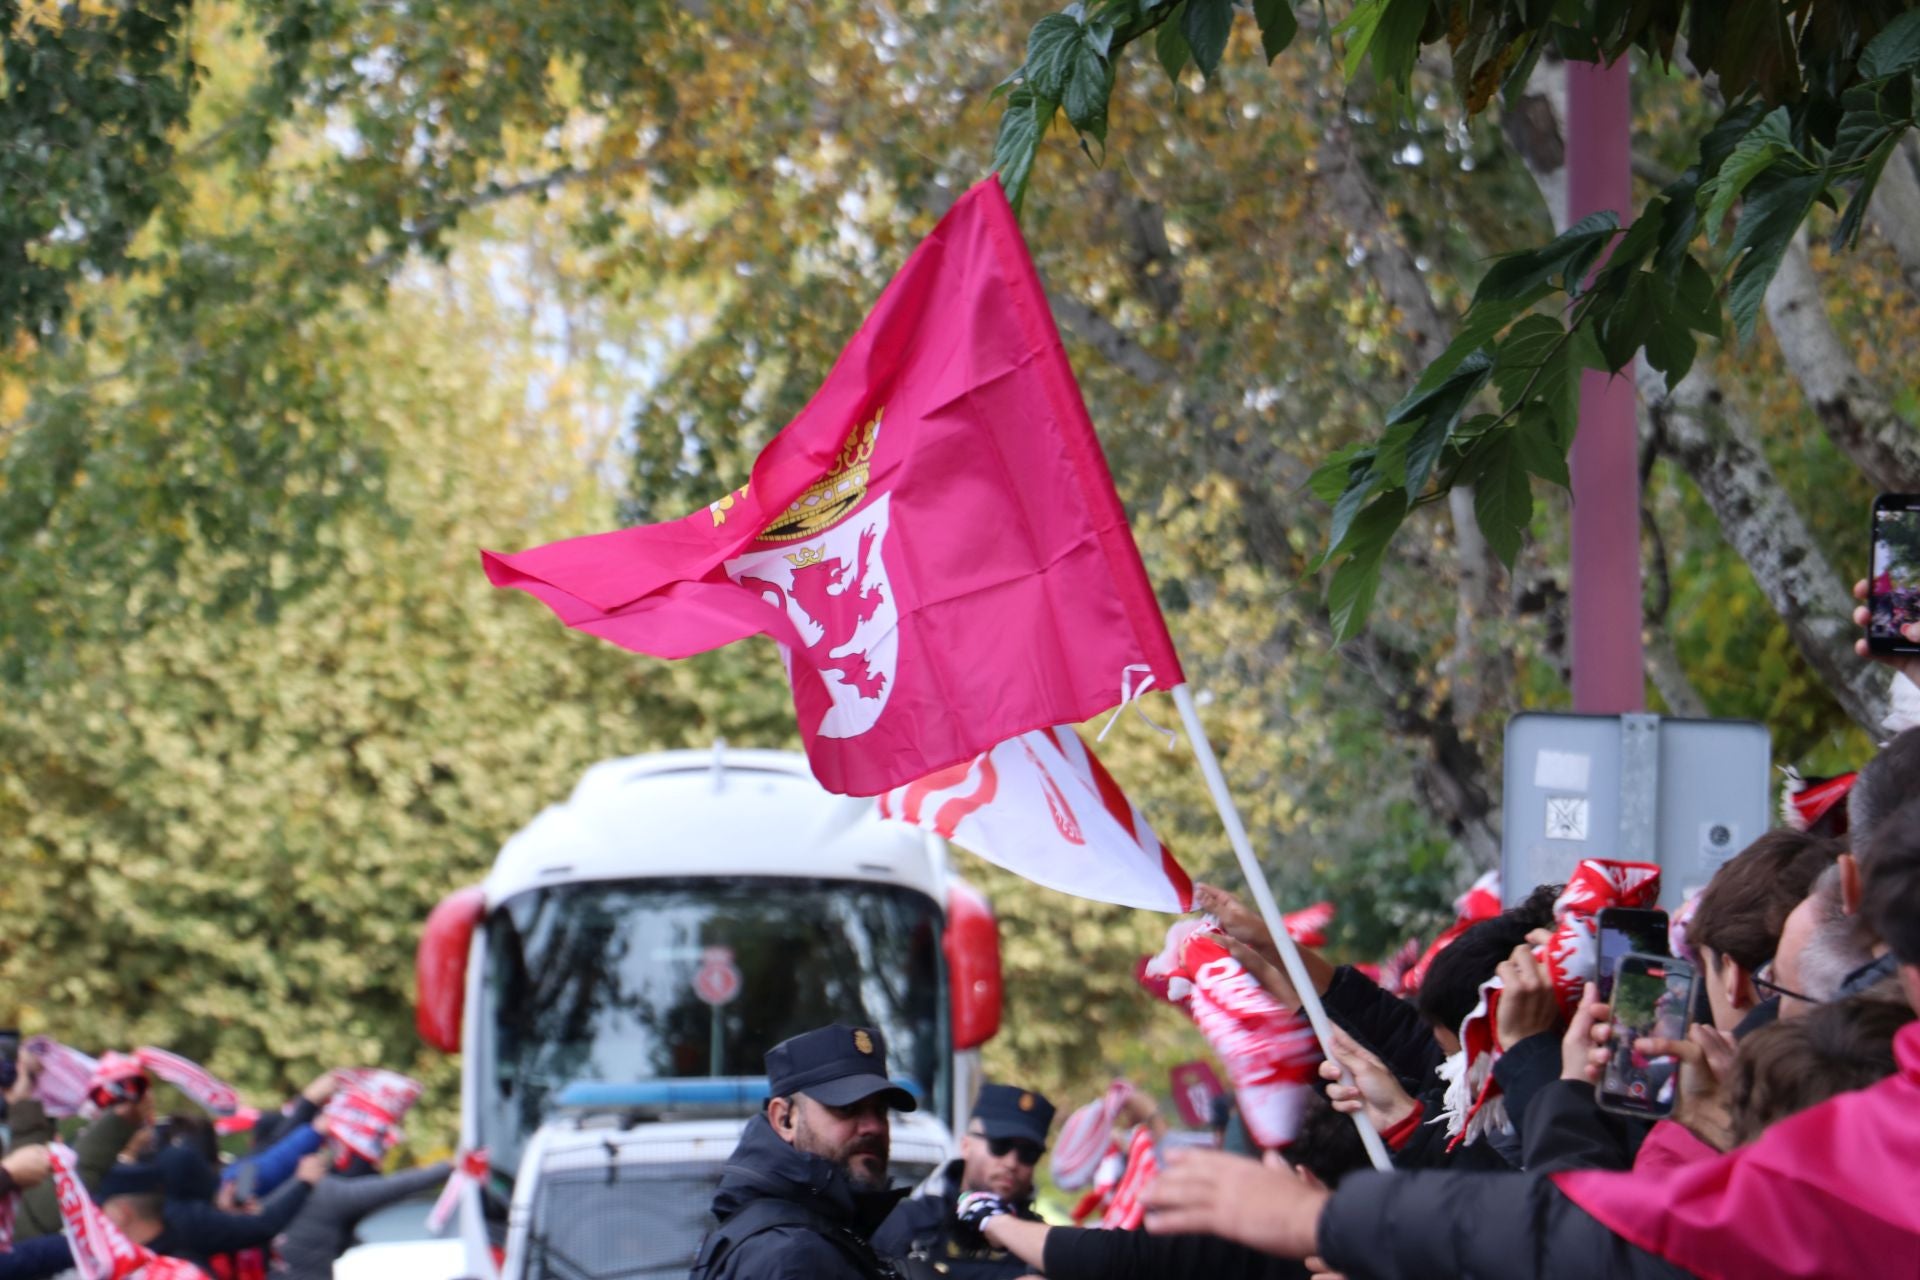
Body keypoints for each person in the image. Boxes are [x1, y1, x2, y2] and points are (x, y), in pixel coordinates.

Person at [1139, 789, 1920, 1280]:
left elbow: (1575, 1226)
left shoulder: (1759, 1115)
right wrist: (1285, 959)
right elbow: (1422, 1054)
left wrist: (1551, 1071)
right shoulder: (1702, 1081)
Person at [690, 1024, 917, 1280]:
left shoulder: (804, 1237)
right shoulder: (793, 1256)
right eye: (847, 1108)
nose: (873, 1127)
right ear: (784, 1119)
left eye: (880, 1111)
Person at [873, 1084, 1052, 1278]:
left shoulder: (1045, 1244)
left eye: (1029, 1154)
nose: (1012, 1162)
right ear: (966, 1145)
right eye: (1000, 1146)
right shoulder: (906, 1223)